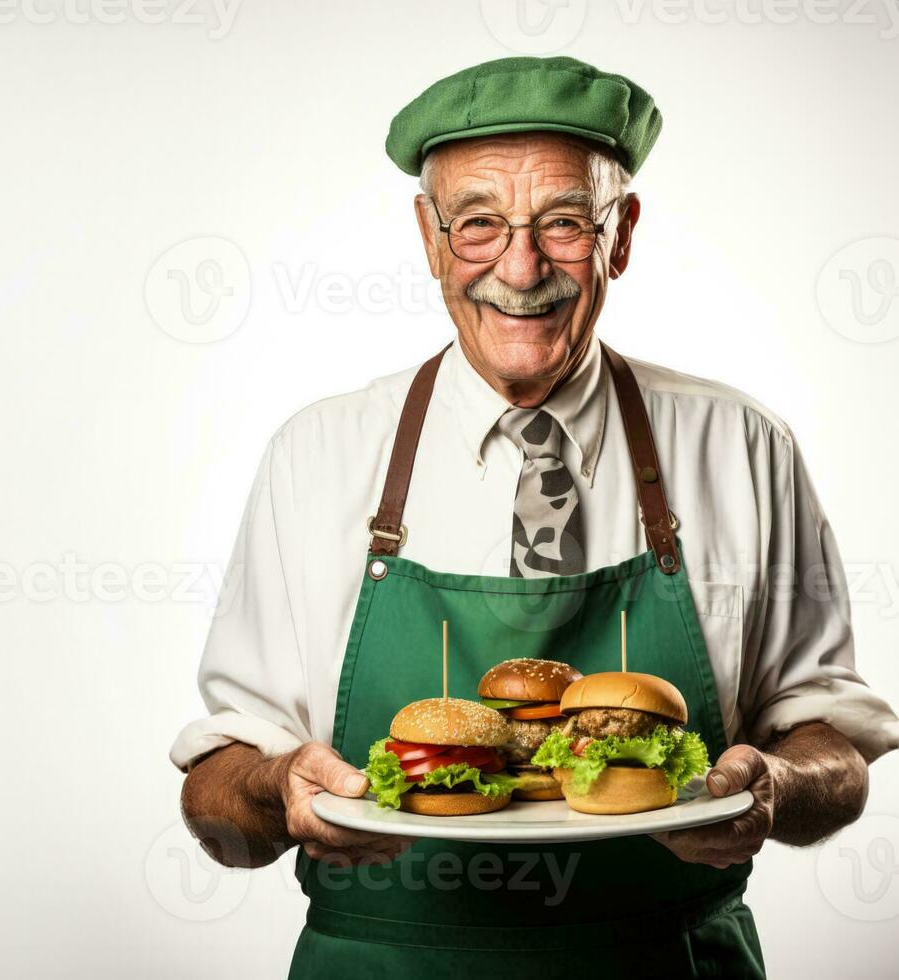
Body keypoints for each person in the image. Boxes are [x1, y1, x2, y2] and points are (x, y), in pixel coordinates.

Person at [173, 56, 898, 977]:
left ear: (620, 235)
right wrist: (278, 792)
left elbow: (836, 753)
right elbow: (215, 800)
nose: (520, 269)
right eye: (478, 224)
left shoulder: (741, 446)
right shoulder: (314, 457)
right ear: (431, 240)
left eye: (562, 223)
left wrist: (776, 786)